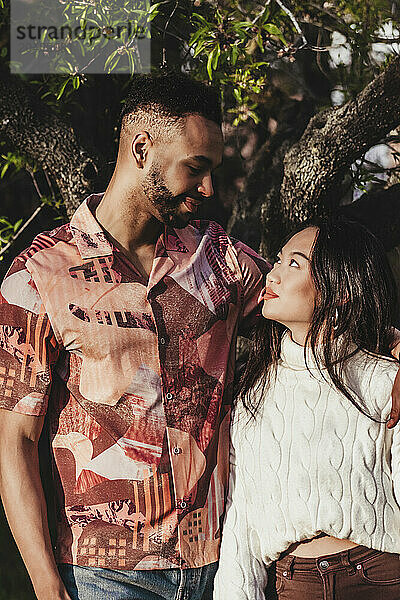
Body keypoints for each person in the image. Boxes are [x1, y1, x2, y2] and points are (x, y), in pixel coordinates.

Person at [0, 73, 271, 600]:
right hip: (103, 574)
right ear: (142, 148)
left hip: (225, 561)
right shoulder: (37, 279)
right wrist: (44, 583)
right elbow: (15, 441)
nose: (208, 189)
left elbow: (313, 303)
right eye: (196, 168)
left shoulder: (221, 260)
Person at [213, 218, 400, 600]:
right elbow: (243, 519)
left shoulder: (385, 381)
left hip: (380, 576)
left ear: (340, 291)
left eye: (293, 264)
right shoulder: (253, 394)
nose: (273, 275)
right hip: (291, 584)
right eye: (277, 261)